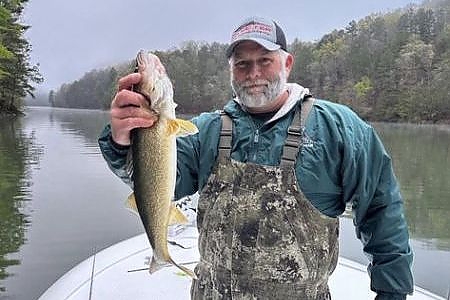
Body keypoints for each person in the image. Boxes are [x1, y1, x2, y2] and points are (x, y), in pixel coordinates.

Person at [98, 16, 413, 300]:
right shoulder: (203, 130)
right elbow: (158, 184)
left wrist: (393, 292)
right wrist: (123, 142)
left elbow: (382, 210)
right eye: (242, 64)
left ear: (287, 63)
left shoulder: (340, 128)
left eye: (265, 60)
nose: (254, 73)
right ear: (231, 70)